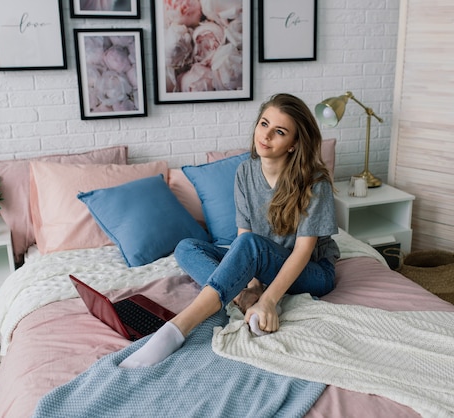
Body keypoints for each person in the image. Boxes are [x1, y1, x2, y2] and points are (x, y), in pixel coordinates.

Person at [119, 93, 340, 368]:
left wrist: (269, 301)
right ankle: (240, 298)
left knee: (250, 245)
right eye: (264, 124)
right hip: (261, 263)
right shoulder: (245, 171)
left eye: (279, 131)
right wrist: (250, 288)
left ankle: (177, 328)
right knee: (187, 247)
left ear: (294, 144)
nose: (266, 135)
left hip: (313, 271)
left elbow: (303, 251)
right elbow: (242, 235)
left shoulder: (314, 182)